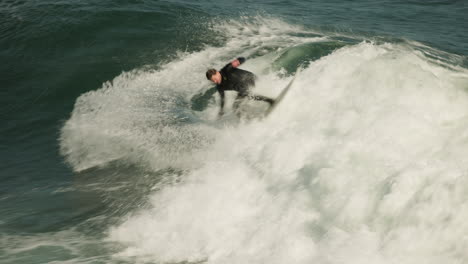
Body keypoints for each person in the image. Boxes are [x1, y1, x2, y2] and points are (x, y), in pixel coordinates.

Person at [206, 57, 274, 117]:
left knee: (247, 94)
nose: (215, 82)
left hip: (250, 79)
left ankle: (270, 100)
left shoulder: (227, 69)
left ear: (217, 73)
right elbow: (223, 99)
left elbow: (242, 59)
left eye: (215, 79)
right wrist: (221, 111)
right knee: (235, 107)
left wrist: (238, 61)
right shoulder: (220, 86)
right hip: (242, 88)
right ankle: (248, 118)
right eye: (212, 81)